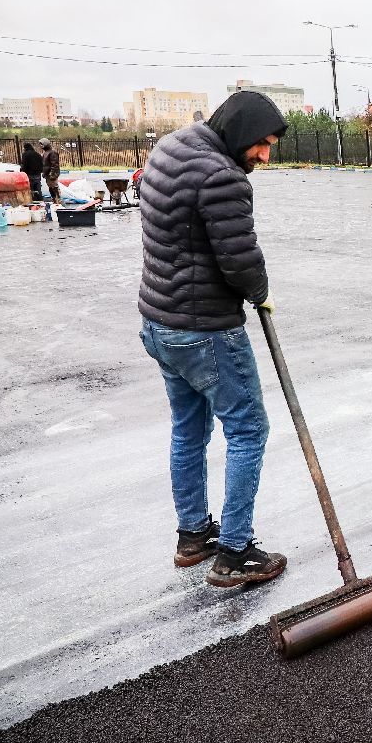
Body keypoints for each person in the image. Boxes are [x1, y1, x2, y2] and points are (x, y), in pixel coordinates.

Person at [137, 90, 289, 587]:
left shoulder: (170, 148)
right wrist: (260, 292)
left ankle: (193, 535)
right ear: (241, 132)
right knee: (248, 430)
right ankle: (235, 553)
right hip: (204, 330)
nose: (265, 155)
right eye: (262, 144)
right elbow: (240, 259)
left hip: (159, 323)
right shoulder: (221, 176)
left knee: (189, 429)